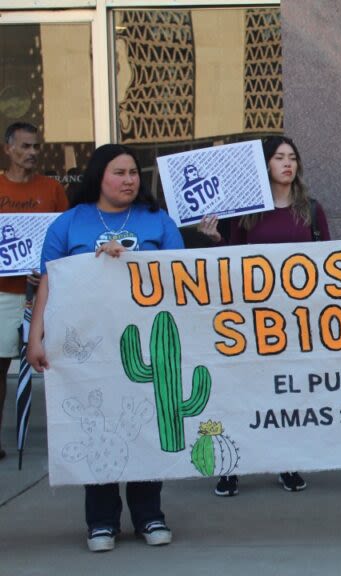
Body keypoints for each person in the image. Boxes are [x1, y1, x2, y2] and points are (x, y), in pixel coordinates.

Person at [26, 144, 182, 552]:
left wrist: (131, 263)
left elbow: (180, 277)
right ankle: (101, 521)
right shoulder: (68, 224)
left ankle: (150, 516)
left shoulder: (158, 221)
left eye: (133, 172)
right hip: (87, 350)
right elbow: (49, 281)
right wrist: (35, 337)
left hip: (145, 346)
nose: (129, 179)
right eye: (119, 172)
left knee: (144, 425)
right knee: (96, 428)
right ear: (99, 177)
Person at [198, 136, 329, 497]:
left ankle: (285, 462)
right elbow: (231, 262)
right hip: (250, 317)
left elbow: (329, 260)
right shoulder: (245, 210)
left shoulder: (312, 210)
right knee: (242, 391)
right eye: (278, 158)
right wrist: (213, 240)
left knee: (286, 392)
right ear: (265, 164)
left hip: (295, 317)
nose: (287, 164)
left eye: (292, 158)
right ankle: (231, 465)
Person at [0, 122, 69, 460]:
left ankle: (63, 434)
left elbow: (64, 234)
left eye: (36, 147)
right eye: (25, 147)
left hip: (43, 290)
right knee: (0, 364)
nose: (32, 153)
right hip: (3, 291)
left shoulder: (52, 189)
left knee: (52, 362)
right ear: (8, 148)